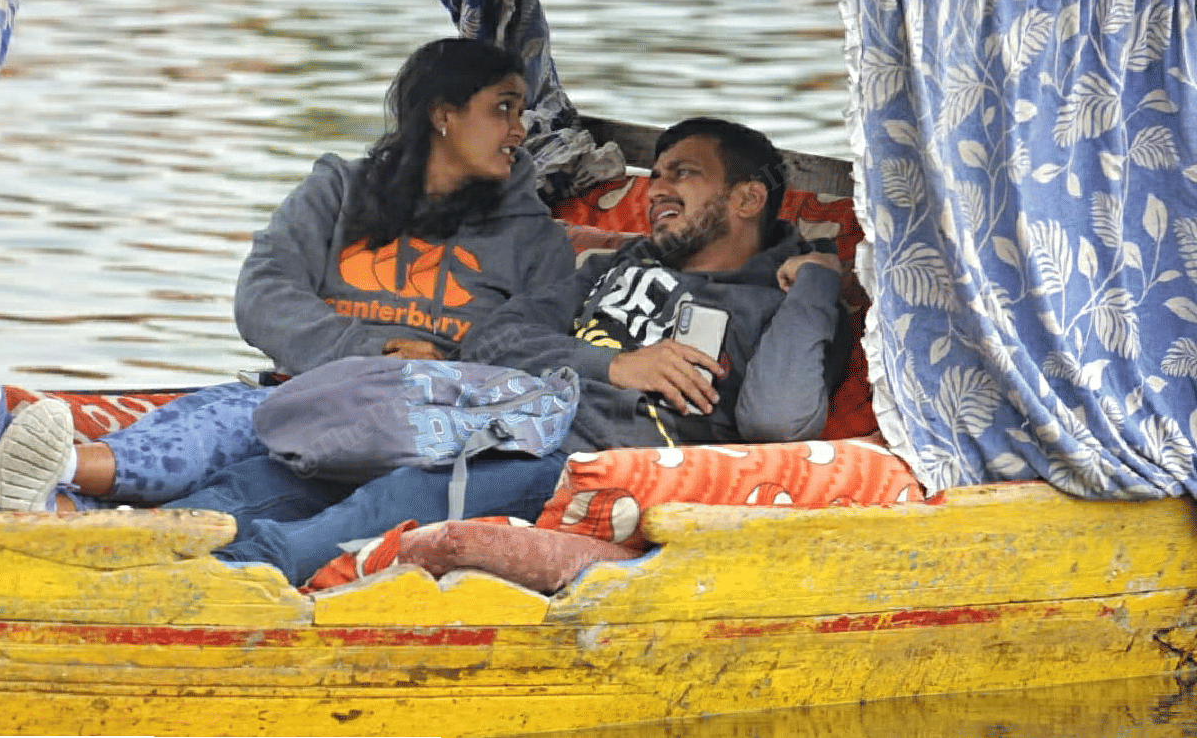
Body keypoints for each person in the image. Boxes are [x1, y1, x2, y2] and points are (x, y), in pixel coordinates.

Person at [133, 116, 846, 587]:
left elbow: (778, 420)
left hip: (578, 455)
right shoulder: (613, 265)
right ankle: (153, 541)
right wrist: (612, 364)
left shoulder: (777, 305)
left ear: (749, 198)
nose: (656, 189)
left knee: (411, 488)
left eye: (682, 174)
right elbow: (501, 338)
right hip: (500, 409)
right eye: (655, 174)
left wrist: (815, 281)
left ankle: (236, 578)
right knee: (318, 451)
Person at [0, 37, 576, 513]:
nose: (519, 132)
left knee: (242, 434)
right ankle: (51, 486)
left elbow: (529, 345)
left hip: (420, 423)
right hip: (303, 392)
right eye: (503, 110)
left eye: (519, 113)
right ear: (444, 114)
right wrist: (366, 350)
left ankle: (59, 470)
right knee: (225, 415)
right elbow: (263, 293)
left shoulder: (536, 241)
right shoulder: (339, 191)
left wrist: (424, 369)